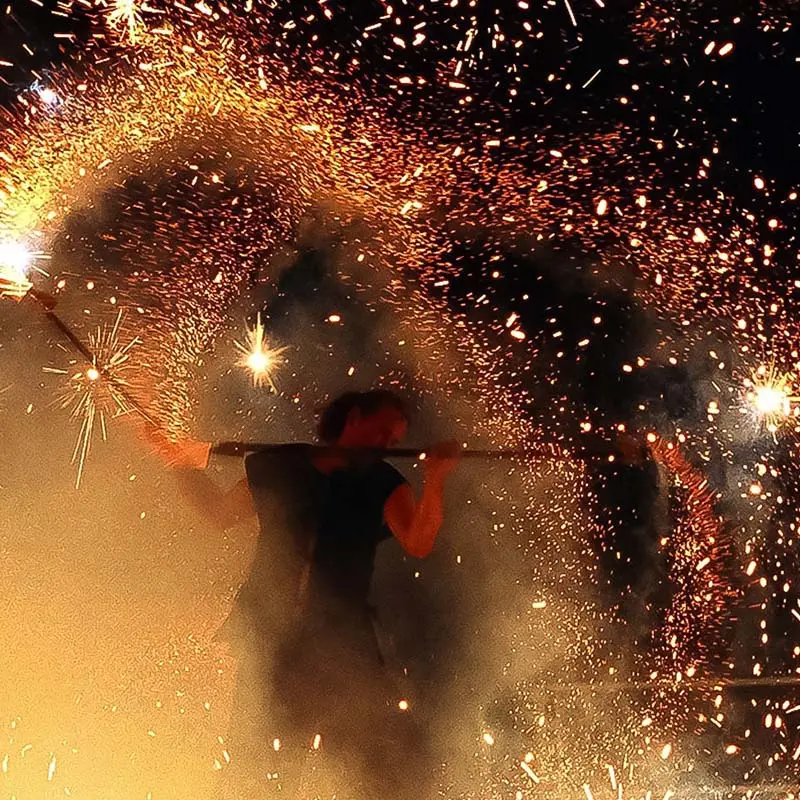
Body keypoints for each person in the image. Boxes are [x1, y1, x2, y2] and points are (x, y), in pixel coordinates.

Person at [142, 389, 461, 799]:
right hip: (273, 637)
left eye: (393, 441)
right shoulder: (280, 466)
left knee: (374, 766)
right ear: (354, 418)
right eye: (382, 432)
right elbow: (218, 514)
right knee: (258, 762)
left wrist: (436, 479)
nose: (386, 445)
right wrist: (177, 464)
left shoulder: (383, 482)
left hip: (344, 644)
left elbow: (418, 541)